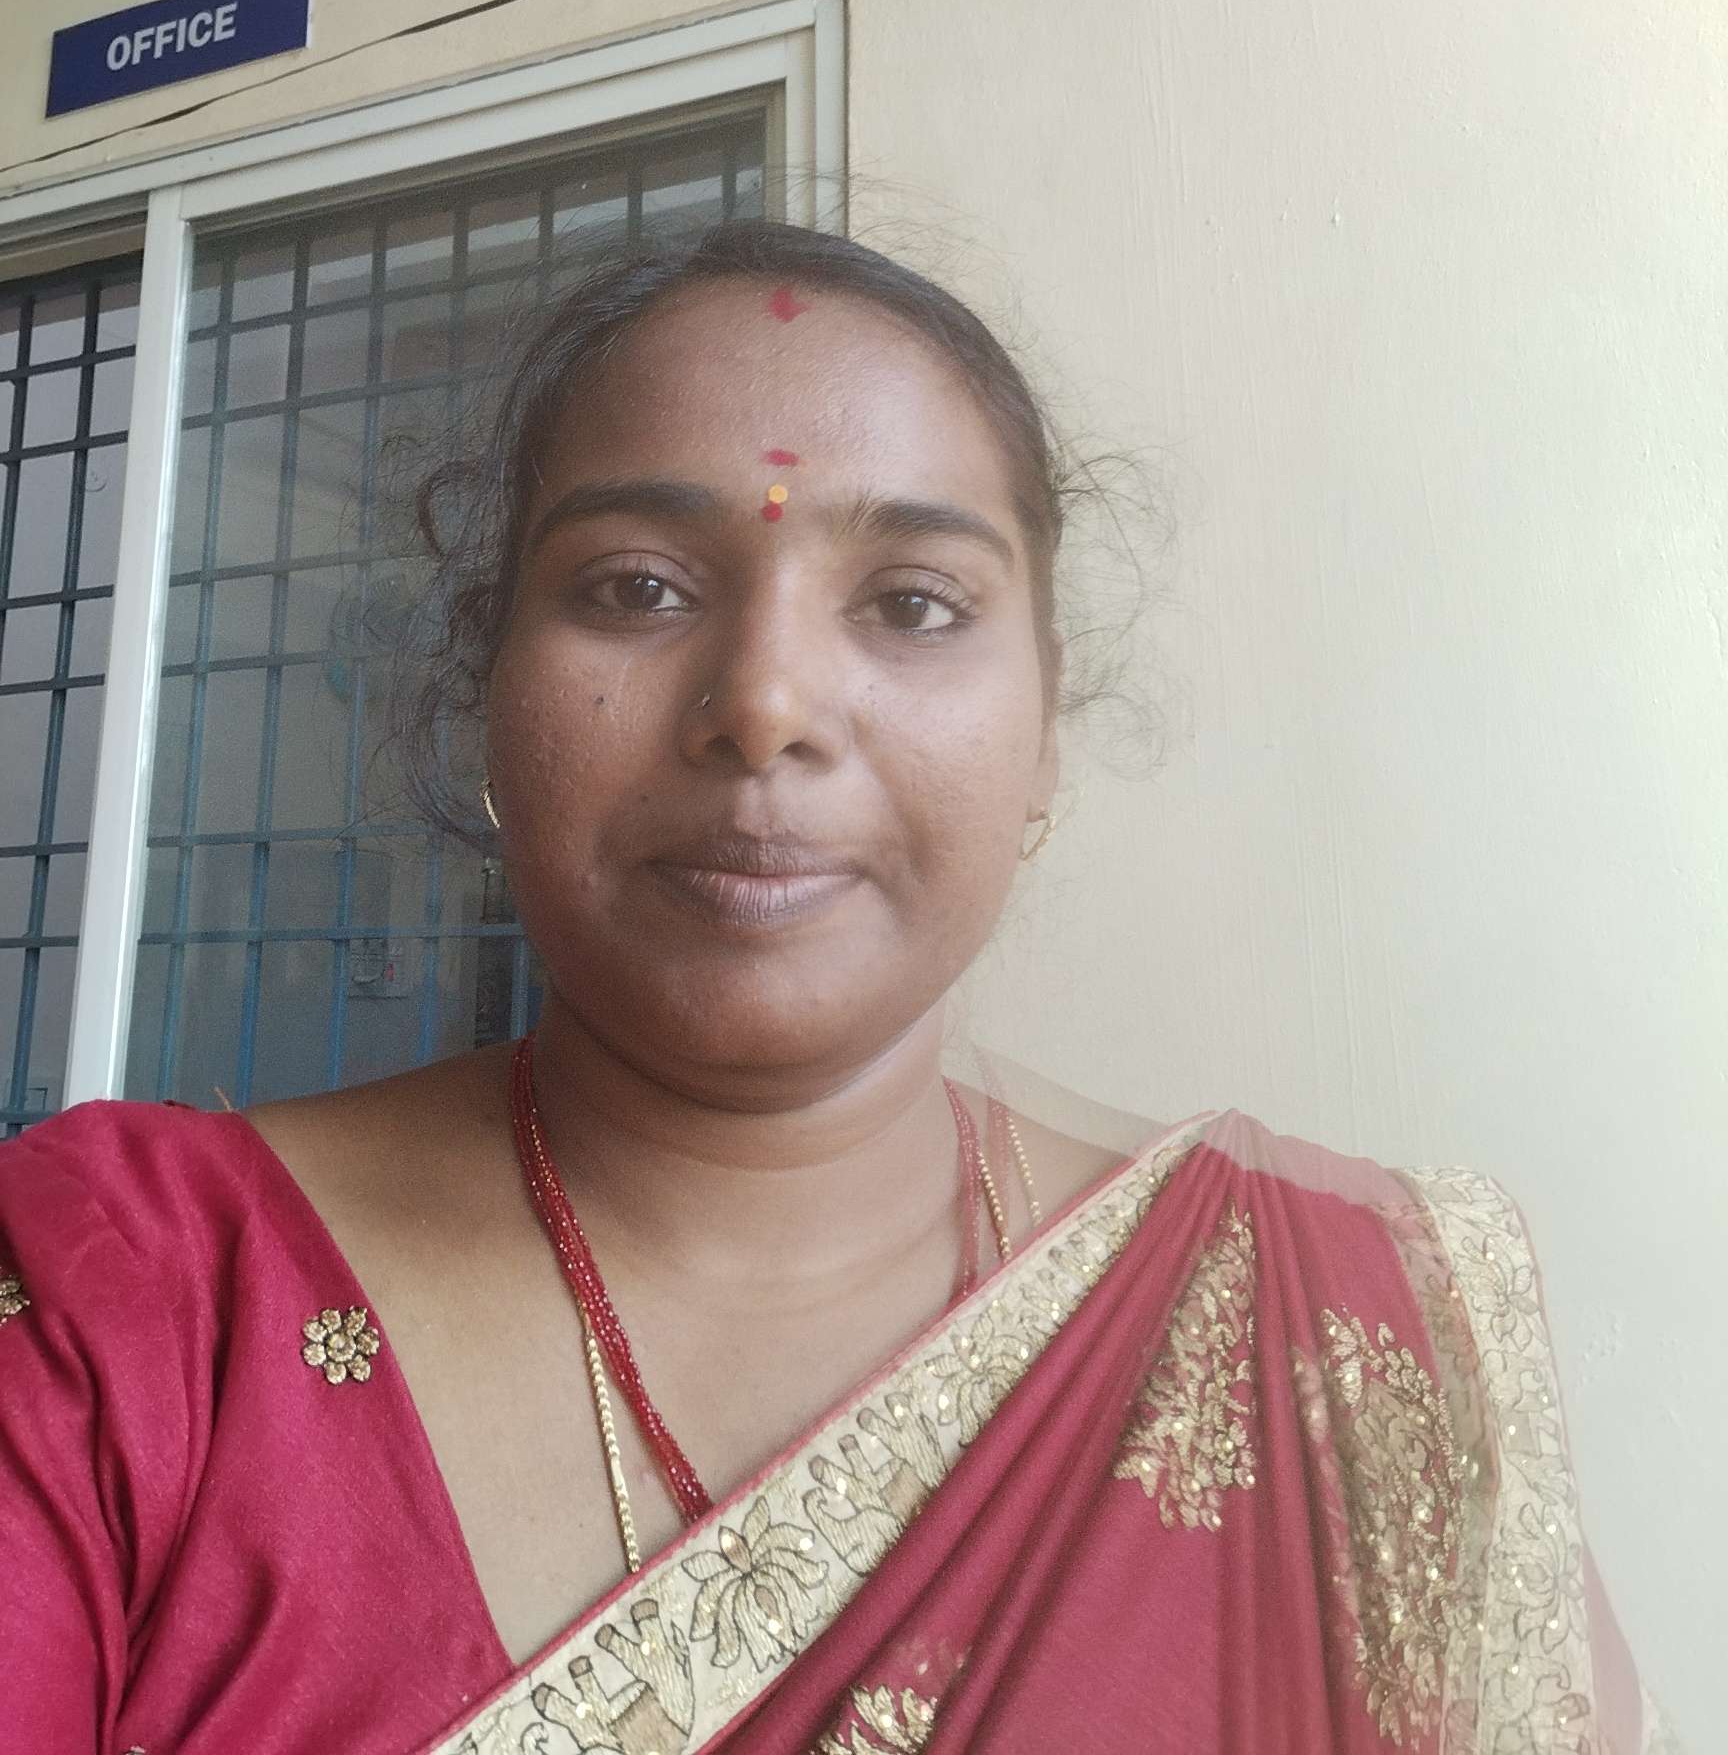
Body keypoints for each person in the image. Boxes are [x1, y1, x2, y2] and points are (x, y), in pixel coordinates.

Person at [0, 218, 1678, 1754]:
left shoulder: (1360, 1329)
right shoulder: (124, 1303)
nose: (766, 703)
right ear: (485, 691)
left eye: (914, 604)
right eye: (638, 588)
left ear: (1045, 732)